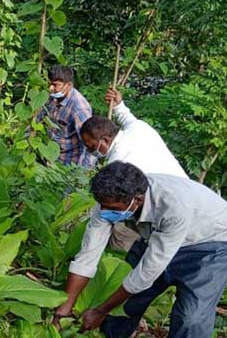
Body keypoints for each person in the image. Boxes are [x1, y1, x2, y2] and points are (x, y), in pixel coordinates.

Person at [53, 162, 227, 338]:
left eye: (113, 209)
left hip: (211, 245)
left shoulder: (174, 206)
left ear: (136, 200)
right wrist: (66, 304)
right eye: (103, 207)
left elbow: (144, 275)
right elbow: (88, 255)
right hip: (159, 236)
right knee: (128, 301)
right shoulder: (109, 201)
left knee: (191, 318)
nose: (106, 213)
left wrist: (100, 310)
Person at [79, 87, 188, 250]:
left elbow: (104, 204)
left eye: (92, 146)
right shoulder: (139, 129)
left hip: (166, 206)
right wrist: (118, 105)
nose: (90, 151)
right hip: (187, 192)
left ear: (106, 140)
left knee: (123, 239)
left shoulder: (118, 161)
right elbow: (127, 118)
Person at [36, 65, 96, 168]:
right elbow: (38, 118)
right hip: (49, 159)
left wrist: (81, 175)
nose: (50, 88)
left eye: (55, 85)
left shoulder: (79, 108)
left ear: (68, 85)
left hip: (68, 166)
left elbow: (89, 145)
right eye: (49, 83)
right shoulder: (51, 97)